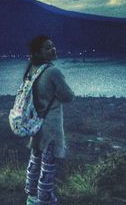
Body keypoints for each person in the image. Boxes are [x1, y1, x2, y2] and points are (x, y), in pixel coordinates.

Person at [23, 35, 75, 205]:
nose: (53, 49)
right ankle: (45, 200)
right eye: (47, 47)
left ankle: (32, 196)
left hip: (36, 124)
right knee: (49, 165)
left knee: (35, 160)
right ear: (38, 52)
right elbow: (68, 96)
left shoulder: (33, 69)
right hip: (50, 125)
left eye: (53, 46)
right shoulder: (52, 71)